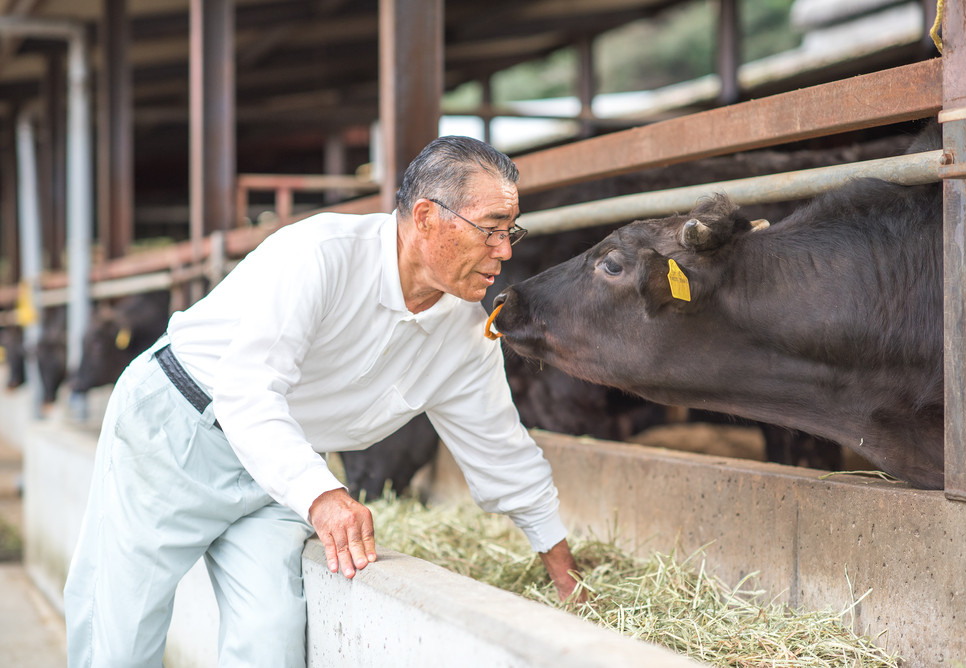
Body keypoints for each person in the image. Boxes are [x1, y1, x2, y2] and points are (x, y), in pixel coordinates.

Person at [63, 135, 582, 667]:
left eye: (510, 230)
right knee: (119, 633)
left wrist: (569, 580)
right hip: (179, 428)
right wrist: (322, 495)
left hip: (283, 465)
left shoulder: (465, 334)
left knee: (272, 639)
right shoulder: (319, 255)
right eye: (491, 229)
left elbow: (502, 451)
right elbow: (248, 390)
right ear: (426, 217)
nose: (505, 250)